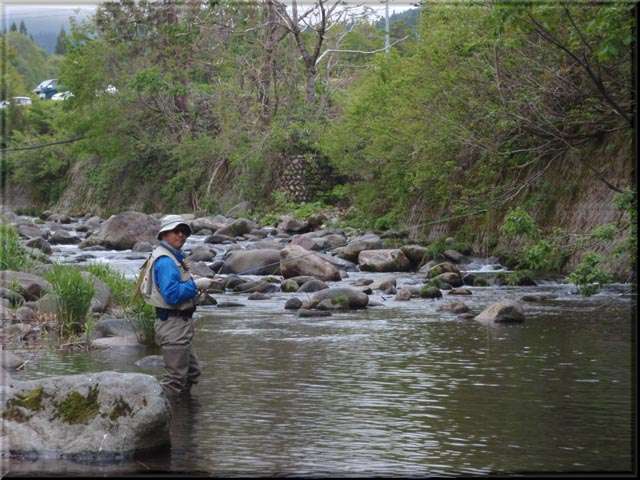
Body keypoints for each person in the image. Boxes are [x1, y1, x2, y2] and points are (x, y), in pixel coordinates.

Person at [137, 215, 213, 397]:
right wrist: (196, 285)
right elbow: (172, 295)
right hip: (172, 325)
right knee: (175, 380)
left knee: (192, 373)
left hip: (178, 325)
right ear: (164, 234)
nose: (181, 235)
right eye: (176, 231)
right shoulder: (166, 261)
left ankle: (184, 416)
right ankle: (166, 417)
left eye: (184, 232)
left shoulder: (172, 257)